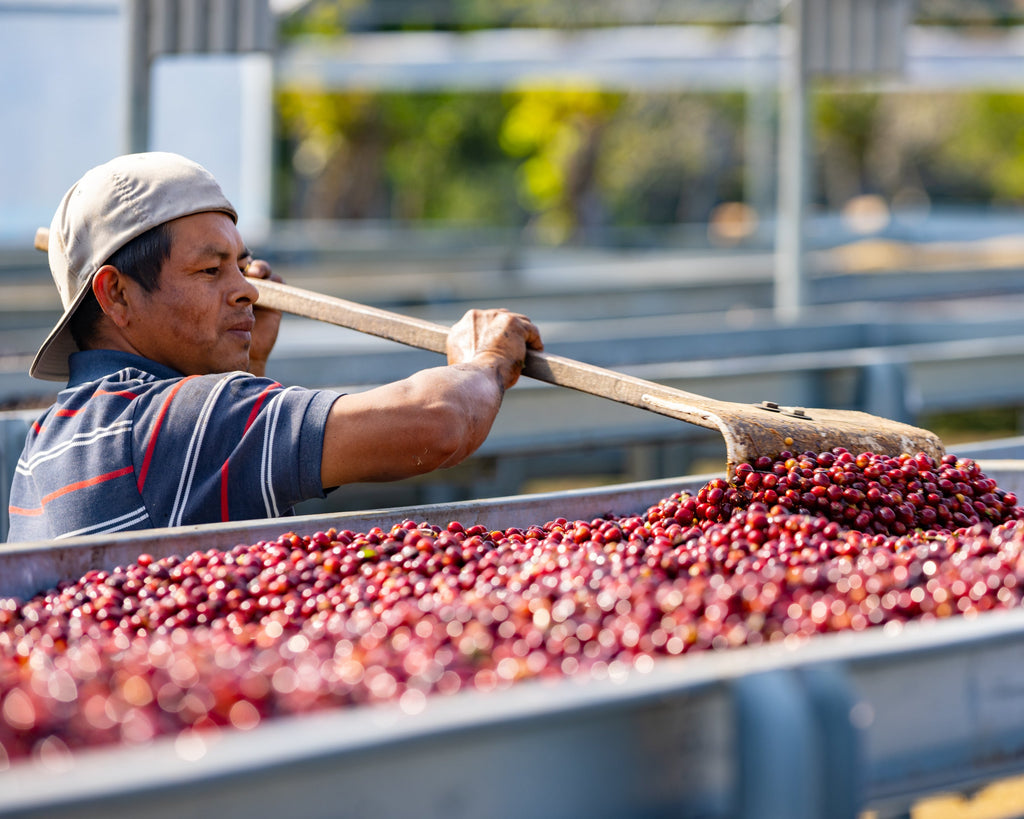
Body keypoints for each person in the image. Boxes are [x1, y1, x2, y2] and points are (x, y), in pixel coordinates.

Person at [7, 152, 542, 542]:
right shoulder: (174, 420)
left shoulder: (47, 440)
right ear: (116, 294)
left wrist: (248, 367)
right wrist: (485, 360)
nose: (247, 289)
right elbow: (438, 422)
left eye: (240, 265)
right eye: (211, 269)